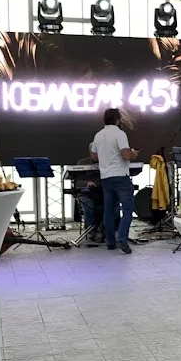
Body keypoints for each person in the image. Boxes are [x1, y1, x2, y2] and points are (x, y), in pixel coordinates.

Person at [91, 108, 138, 253]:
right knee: (128, 209)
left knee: (109, 211)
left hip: (105, 177)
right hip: (120, 176)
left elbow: (94, 156)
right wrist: (133, 153)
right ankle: (122, 239)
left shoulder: (98, 135)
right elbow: (125, 155)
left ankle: (110, 242)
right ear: (117, 120)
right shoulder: (120, 134)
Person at [75, 146, 105, 243]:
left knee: (113, 204)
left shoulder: (107, 162)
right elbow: (77, 182)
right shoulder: (82, 163)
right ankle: (91, 229)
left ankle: (105, 229)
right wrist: (86, 183)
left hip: (102, 194)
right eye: (95, 152)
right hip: (86, 194)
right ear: (90, 152)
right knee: (88, 204)